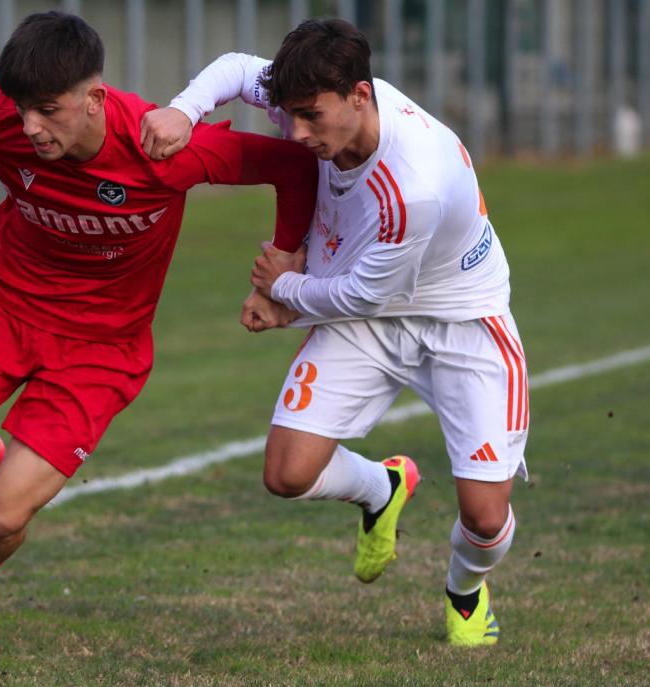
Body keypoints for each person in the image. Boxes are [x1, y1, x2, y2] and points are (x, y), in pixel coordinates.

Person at [0, 11, 317, 645]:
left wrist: (280, 269)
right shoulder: (4, 121)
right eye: (22, 109)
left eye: (49, 110)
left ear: (94, 99)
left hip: (99, 351)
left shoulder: (162, 149)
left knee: (4, 517)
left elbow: (295, 167)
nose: (31, 127)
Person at [140, 18, 528, 648]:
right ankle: (384, 486)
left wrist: (281, 289)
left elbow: (362, 295)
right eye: (289, 114)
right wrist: (185, 110)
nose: (295, 133)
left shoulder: (414, 184)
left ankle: (465, 587)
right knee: (287, 473)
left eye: (310, 117)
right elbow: (241, 68)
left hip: (461, 317)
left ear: (360, 96)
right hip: (365, 312)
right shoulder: (315, 96)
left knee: (484, 518)